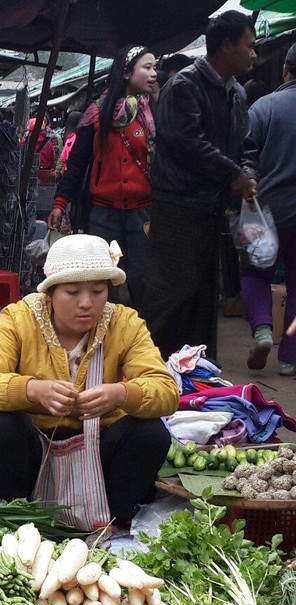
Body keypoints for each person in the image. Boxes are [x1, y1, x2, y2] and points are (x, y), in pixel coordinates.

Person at [0, 234, 179, 530]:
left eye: (98, 290)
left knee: (150, 433)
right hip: (33, 450)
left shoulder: (124, 323)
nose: (87, 303)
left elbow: (167, 392)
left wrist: (121, 394)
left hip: (100, 452)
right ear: (50, 293)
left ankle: (113, 524)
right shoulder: (19, 319)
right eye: (73, 292)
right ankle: (14, 522)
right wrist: (31, 390)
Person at [138, 11, 258, 361]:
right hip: (178, 209)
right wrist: (234, 175)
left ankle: (196, 374)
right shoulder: (185, 86)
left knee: (203, 300)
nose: (254, 55)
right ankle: (141, 372)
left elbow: (246, 144)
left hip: (210, 209)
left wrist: (248, 174)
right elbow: (188, 143)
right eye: (249, 47)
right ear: (226, 45)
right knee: (169, 296)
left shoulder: (235, 92)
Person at [49, 46, 158, 304]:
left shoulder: (153, 113)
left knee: (142, 279)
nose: (154, 74)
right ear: (127, 73)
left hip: (143, 213)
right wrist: (59, 204)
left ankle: (140, 337)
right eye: (147, 67)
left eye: (155, 68)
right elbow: (77, 162)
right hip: (103, 215)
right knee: (104, 282)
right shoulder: (97, 114)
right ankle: (103, 338)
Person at [241, 43, 296, 375]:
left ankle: (263, 330)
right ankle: (289, 358)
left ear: (285, 70)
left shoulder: (263, 107)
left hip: (265, 207)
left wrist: (248, 182)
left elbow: (245, 154)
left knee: (253, 272)